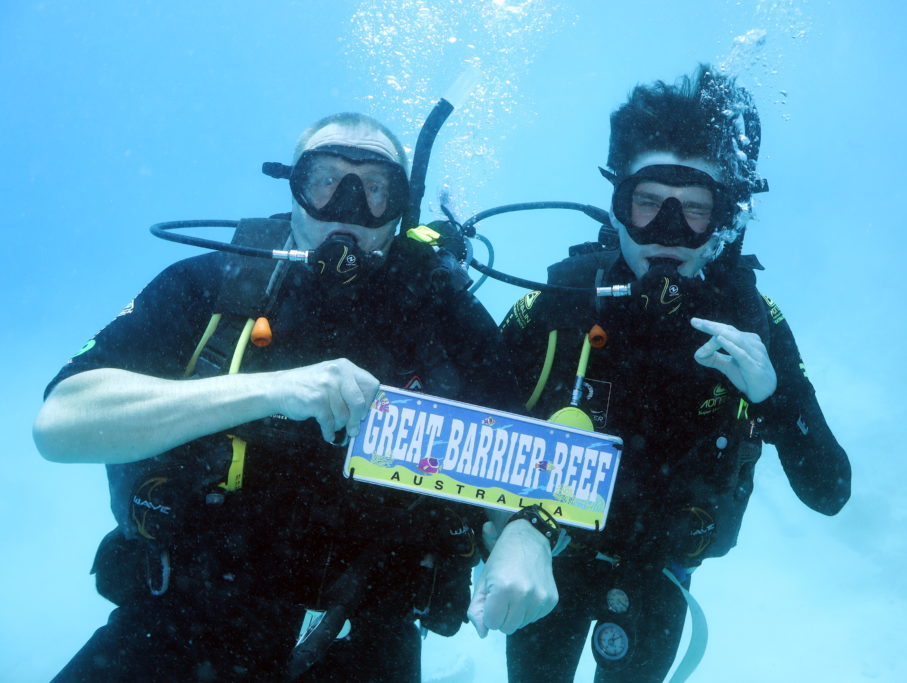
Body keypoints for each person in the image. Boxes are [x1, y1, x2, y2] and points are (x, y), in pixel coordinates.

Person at [33, 112, 552, 682]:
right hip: (179, 622)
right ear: (295, 188)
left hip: (365, 640)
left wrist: (530, 531)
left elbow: (528, 469)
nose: (348, 207)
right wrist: (272, 388)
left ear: (402, 206)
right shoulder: (210, 284)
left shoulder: (445, 318)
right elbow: (61, 421)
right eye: (326, 180)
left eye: (375, 189)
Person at [483, 65, 852, 682]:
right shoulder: (560, 305)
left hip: (659, 576)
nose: (669, 234)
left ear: (724, 222)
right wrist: (508, 527)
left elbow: (830, 492)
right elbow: (449, 433)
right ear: (618, 204)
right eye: (649, 204)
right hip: (548, 552)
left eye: (696, 211)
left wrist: (774, 397)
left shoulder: (753, 326)